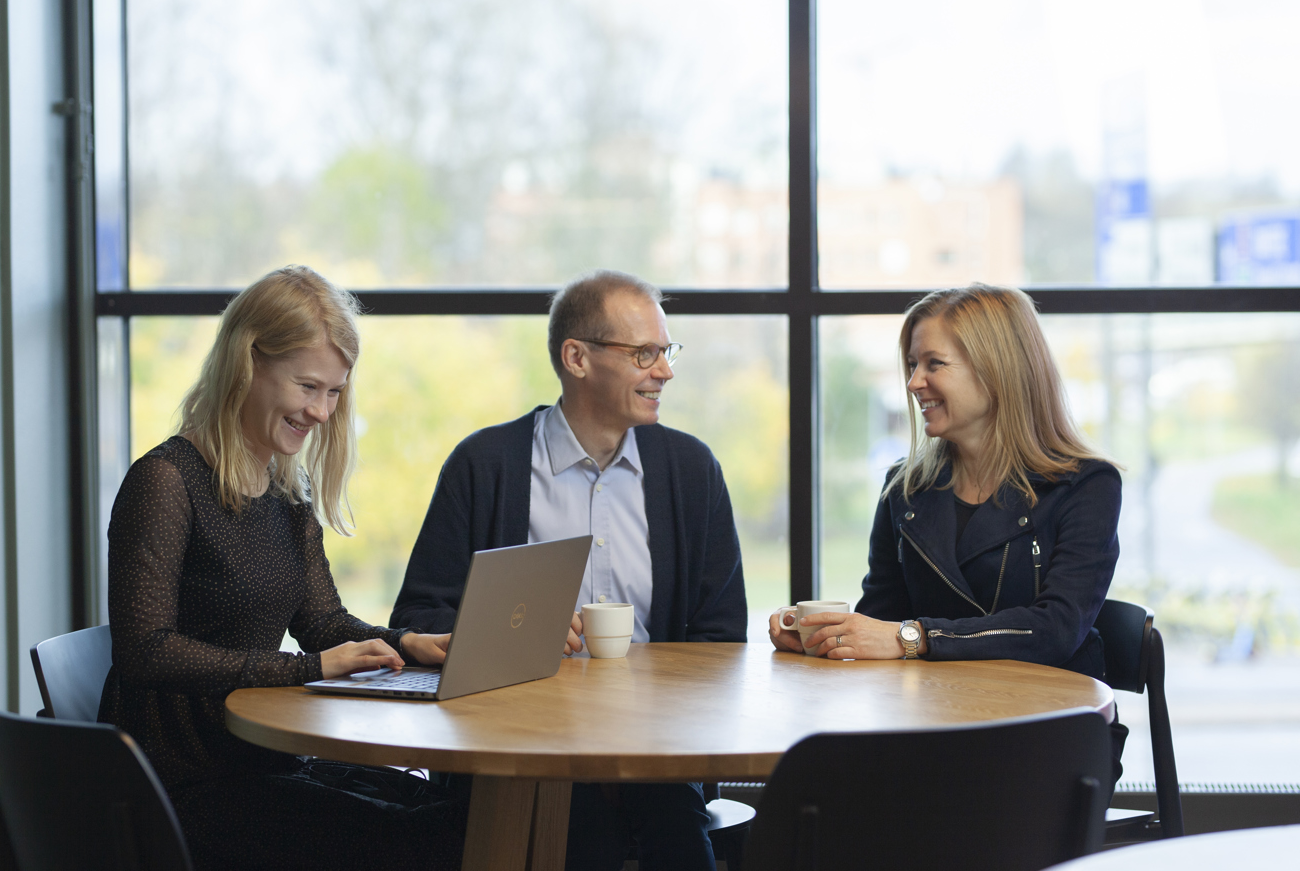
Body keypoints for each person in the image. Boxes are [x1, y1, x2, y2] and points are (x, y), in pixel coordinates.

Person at [99, 266, 465, 871]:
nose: (322, 411)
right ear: (247, 364)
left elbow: (321, 621)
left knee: (452, 808)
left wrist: (406, 643)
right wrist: (307, 669)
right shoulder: (164, 482)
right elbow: (145, 650)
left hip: (257, 759)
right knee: (426, 840)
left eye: (335, 393)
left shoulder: (285, 495)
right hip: (185, 783)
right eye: (308, 387)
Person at [390, 269, 747, 871]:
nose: (665, 371)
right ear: (576, 357)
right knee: (580, 844)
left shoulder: (691, 471)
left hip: (657, 756)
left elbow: (721, 638)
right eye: (644, 354)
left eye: (666, 352)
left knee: (682, 849)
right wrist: (512, 634)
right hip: (519, 753)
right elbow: (419, 619)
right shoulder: (485, 465)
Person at [768, 283, 1128, 783]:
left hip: (1051, 737)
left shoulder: (1085, 485)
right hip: (928, 728)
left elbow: (1056, 629)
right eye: (913, 365)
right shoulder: (906, 487)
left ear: (996, 370)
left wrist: (915, 638)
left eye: (933, 364)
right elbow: (882, 620)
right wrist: (823, 638)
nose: (914, 382)